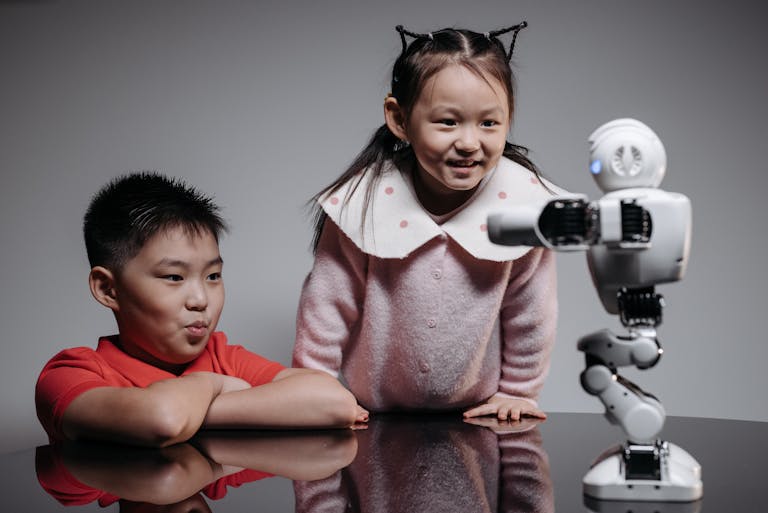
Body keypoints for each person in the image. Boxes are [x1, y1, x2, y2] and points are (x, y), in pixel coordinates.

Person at [293, 23, 560, 421]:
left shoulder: (524, 206)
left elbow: (532, 311)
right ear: (399, 119)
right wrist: (314, 386)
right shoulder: (362, 203)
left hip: (479, 418)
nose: (469, 142)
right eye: (448, 122)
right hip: (370, 416)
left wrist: (518, 393)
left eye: (489, 123)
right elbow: (327, 304)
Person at [36, 172, 366, 447]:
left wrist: (199, 410)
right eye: (174, 277)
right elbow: (162, 420)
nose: (200, 299)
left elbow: (333, 401)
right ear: (108, 289)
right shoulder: (69, 375)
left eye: (212, 276)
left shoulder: (222, 356)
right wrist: (212, 385)